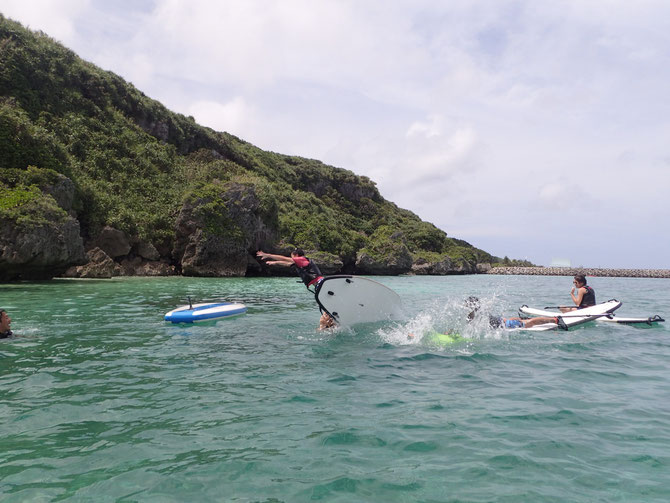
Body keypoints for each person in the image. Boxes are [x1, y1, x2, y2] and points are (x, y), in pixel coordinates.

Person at [465, 297, 564, 329]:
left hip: (506, 324)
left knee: (530, 322)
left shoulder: (477, 314)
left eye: (467, 305)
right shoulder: (474, 314)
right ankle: (520, 319)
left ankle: (554, 319)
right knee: (520, 321)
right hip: (502, 321)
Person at [256, 248, 324, 289]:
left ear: (296, 255)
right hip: (319, 284)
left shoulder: (301, 259)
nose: (291, 258)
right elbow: (286, 263)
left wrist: (268, 255)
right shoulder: (301, 263)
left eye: (292, 256)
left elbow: (284, 258)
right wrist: (275, 262)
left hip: (320, 283)